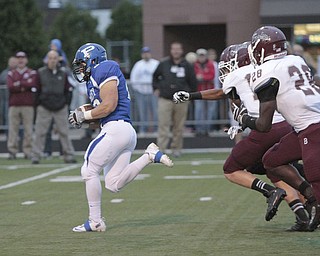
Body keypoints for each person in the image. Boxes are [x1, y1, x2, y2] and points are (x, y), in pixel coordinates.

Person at [173, 42, 312, 231]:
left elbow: (220, 92)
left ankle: (270, 192)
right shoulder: (266, 69)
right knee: (274, 168)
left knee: (231, 169)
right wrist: (241, 124)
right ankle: (304, 215)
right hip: (288, 125)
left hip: (266, 130)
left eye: (230, 63)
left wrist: (192, 95)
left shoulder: (238, 75)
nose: (227, 69)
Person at [68, 43, 173, 232]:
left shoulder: (105, 68)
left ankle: (95, 221)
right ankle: (149, 156)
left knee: (89, 170)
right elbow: (102, 114)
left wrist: (85, 115)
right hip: (121, 130)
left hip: (116, 129)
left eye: (83, 64)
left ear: (93, 60)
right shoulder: (94, 79)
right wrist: (82, 119)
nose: (81, 69)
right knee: (113, 183)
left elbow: (108, 105)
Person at [233, 25, 320, 231]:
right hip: (302, 127)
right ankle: (309, 195)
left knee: (316, 175)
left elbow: (263, 125)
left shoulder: (265, 72)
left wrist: (244, 119)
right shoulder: (295, 59)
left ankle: (315, 202)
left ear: (261, 49)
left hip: (312, 126)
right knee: (272, 160)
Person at [31, 50, 76, 164]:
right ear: (47, 60)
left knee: (64, 132)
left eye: (54, 58)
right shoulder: (40, 72)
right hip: (44, 107)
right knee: (40, 132)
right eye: (50, 58)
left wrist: (65, 103)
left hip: (60, 107)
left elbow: (69, 89)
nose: (52, 60)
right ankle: (36, 155)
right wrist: (39, 103)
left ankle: (69, 155)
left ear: (58, 59)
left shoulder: (63, 73)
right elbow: (35, 90)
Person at [153, 41, 197, 157]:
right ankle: (161, 149)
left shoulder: (187, 65)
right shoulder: (164, 63)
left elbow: (193, 81)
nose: (176, 51)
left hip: (181, 100)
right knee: (163, 125)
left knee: (179, 126)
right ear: (171, 50)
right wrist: (156, 88)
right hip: (165, 99)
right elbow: (155, 77)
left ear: (181, 51)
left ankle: (176, 149)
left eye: (178, 49)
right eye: (174, 49)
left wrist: (191, 95)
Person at [6, 52, 37, 159]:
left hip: (27, 105)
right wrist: (24, 84)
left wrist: (18, 84)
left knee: (28, 129)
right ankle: (12, 151)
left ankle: (27, 151)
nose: (21, 60)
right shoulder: (11, 73)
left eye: (23, 57)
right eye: (18, 58)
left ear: (26, 60)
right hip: (14, 105)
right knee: (13, 129)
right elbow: (10, 86)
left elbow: (32, 84)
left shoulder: (31, 72)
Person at [130, 46, 159, 134]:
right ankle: (143, 129)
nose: (146, 55)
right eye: (144, 53)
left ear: (150, 53)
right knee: (142, 111)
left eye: (147, 53)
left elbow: (160, 77)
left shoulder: (156, 63)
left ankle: (156, 129)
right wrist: (138, 89)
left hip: (153, 92)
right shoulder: (138, 64)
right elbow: (133, 78)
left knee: (155, 111)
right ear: (142, 54)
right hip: (141, 92)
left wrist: (157, 88)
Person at [193, 48, 216, 136]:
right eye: (200, 56)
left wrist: (202, 77)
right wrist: (201, 77)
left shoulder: (210, 64)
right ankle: (199, 129)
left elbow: (211, 75)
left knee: (210, 111)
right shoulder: (195, 65)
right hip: (199, 91)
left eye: (203, 55)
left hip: (209, 91)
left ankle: (208, 128)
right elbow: (194, 76)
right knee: (199, 110)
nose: (201, 57)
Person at [0, 56, 18, 127]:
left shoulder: (19, 72)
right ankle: (7, 133)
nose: (13, 64)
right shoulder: (4, 73)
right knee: (5, 115)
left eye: (14, 62)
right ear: (8, 63)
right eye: (11, 62)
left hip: (17, 99)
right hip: (5, 99)